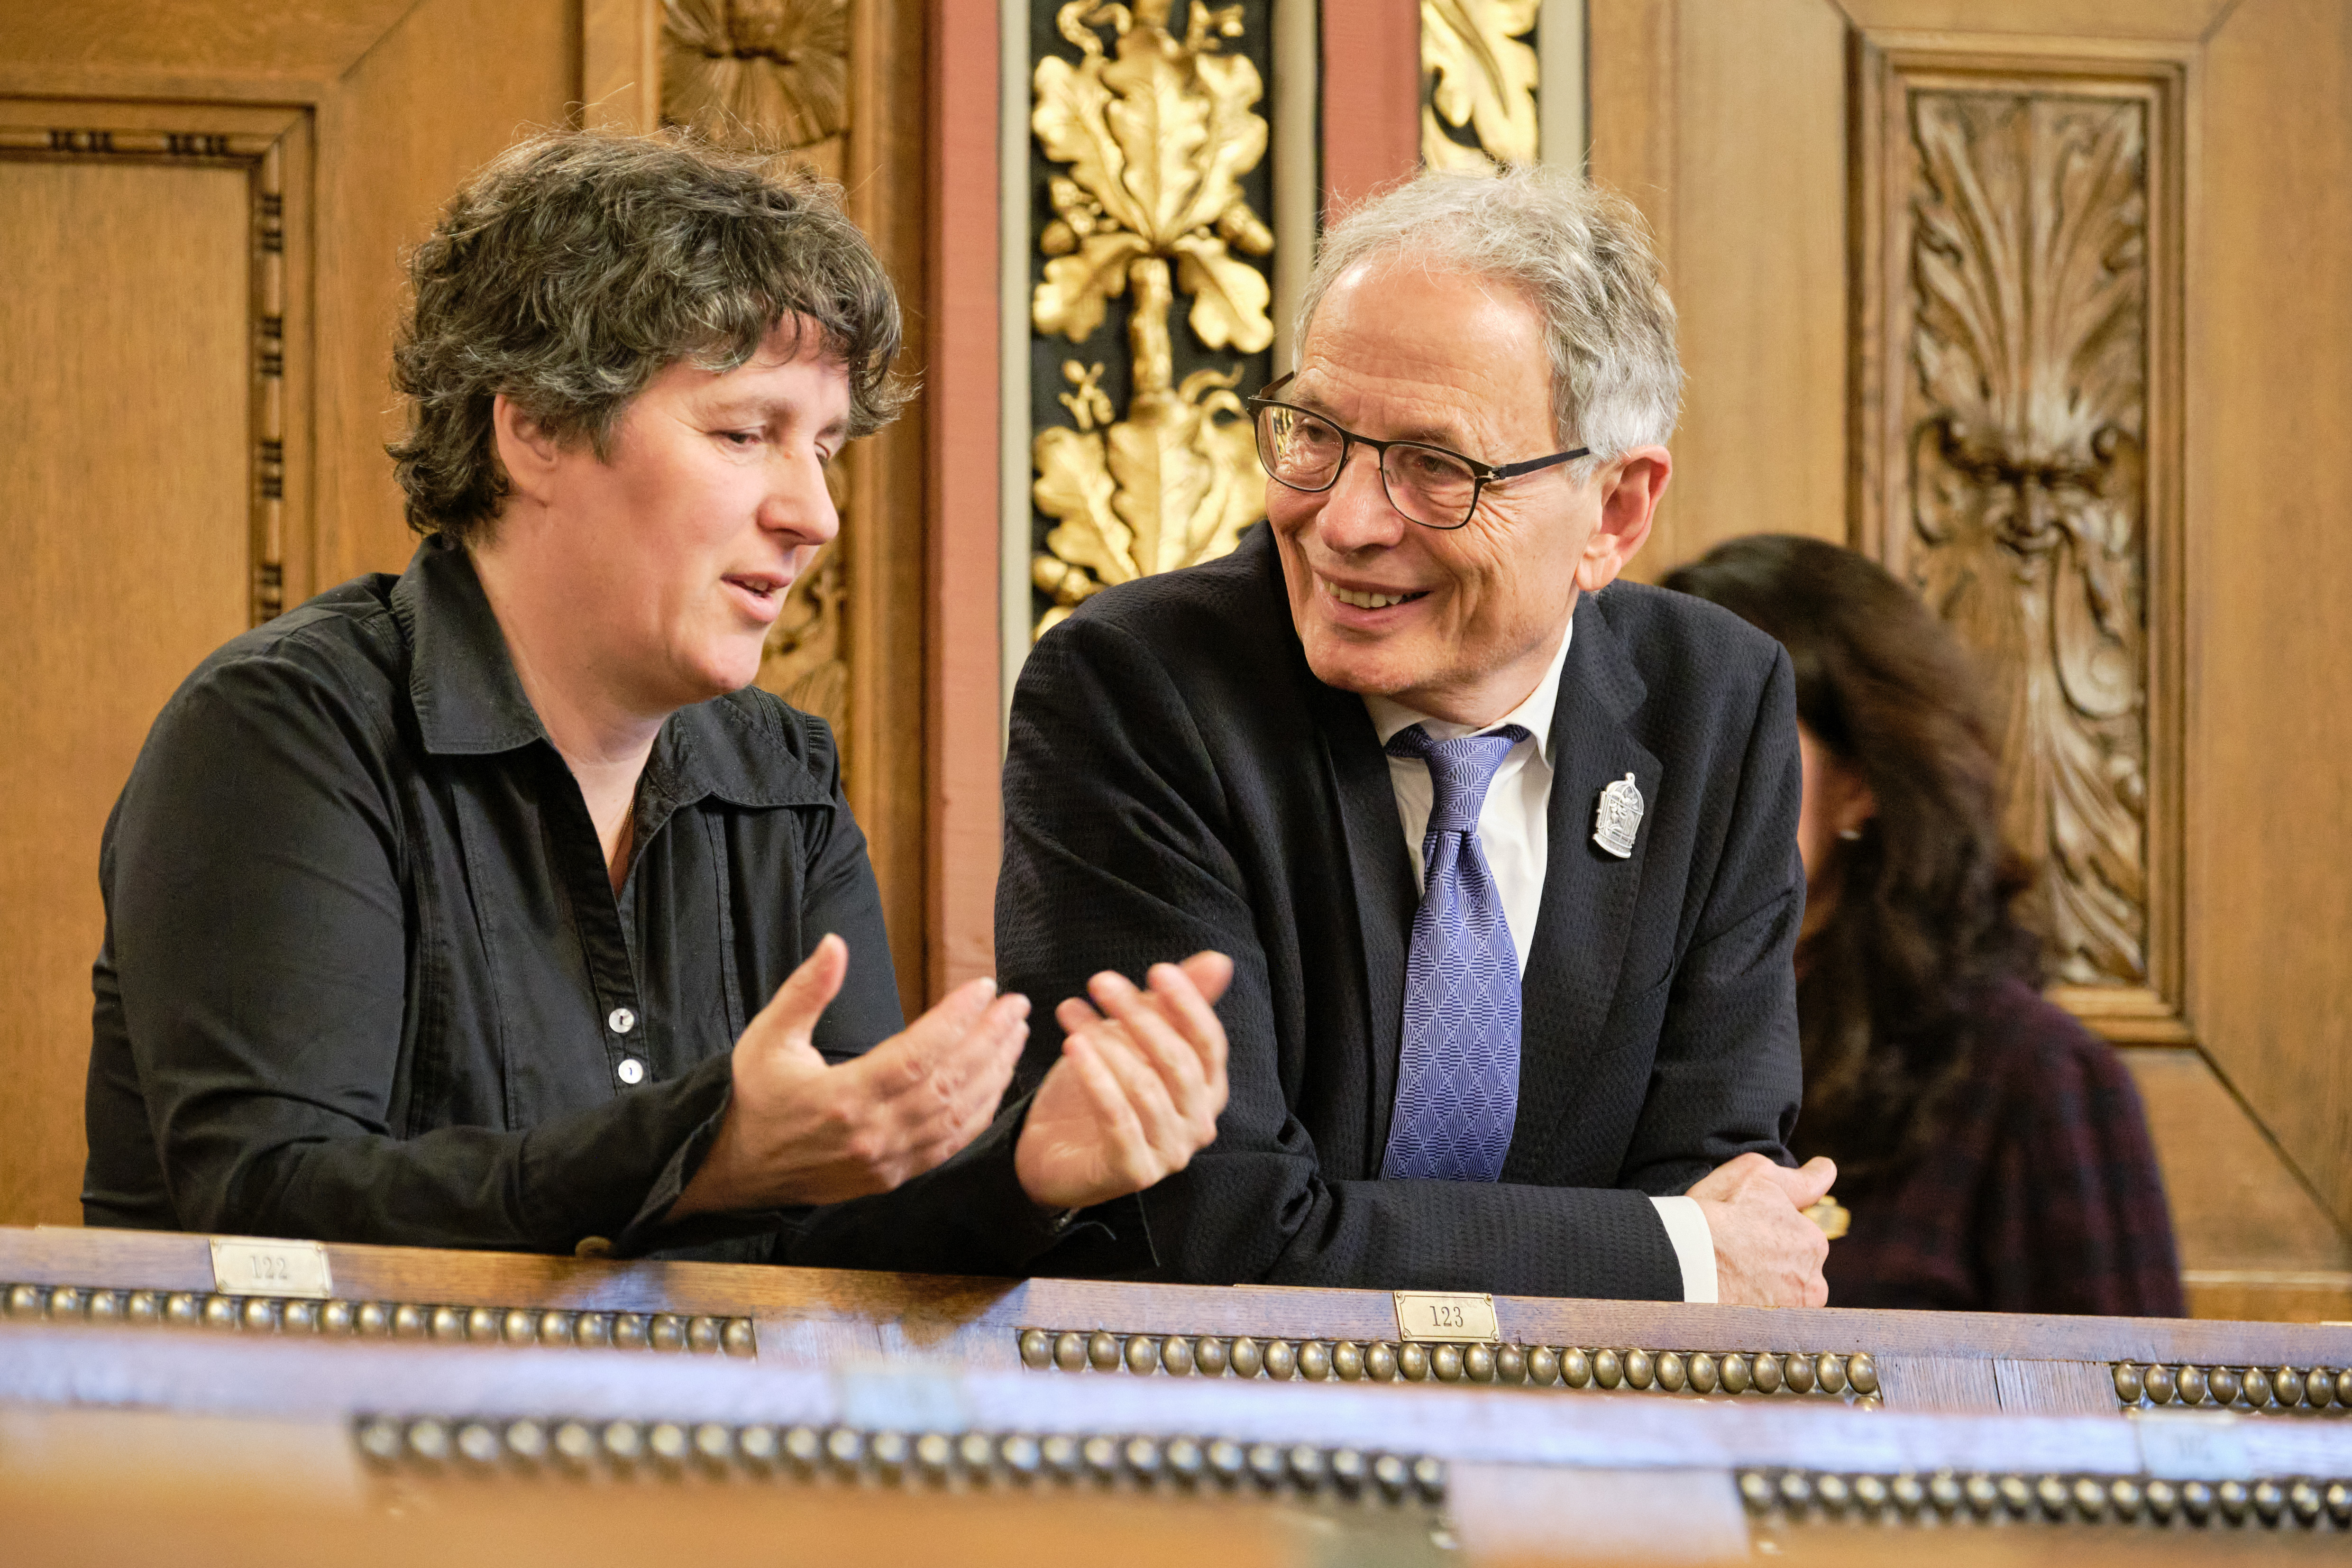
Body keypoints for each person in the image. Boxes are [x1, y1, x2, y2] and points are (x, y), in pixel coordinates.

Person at [82, 130, 1230, 1272]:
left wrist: (1024, 1170)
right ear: (535, 426)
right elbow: (270, 1203)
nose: (815, 515)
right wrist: (702, 1153)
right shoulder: (285, 730)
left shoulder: (781, 778)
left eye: (826, 449)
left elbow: (839, 1235)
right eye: (746, 434)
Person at [995, 167, 1834, 1304]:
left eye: (1438, 468)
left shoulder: (1715, 703)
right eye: (1316, 434)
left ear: (1615, 511)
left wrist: (1682, 1234)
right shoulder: (1140, 690)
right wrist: (1668, 1253)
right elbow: (1222, 1226)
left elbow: (1716, 1167)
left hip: (1594, 1421)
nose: (1344, 521)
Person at [1662, 534, 2184, 1315]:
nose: (1677, 788)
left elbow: (2131, 1389)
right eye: (1656, 742)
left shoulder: (2033, 1080)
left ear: (1857, 785)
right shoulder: (1610, 1039)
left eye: (1730, 743)